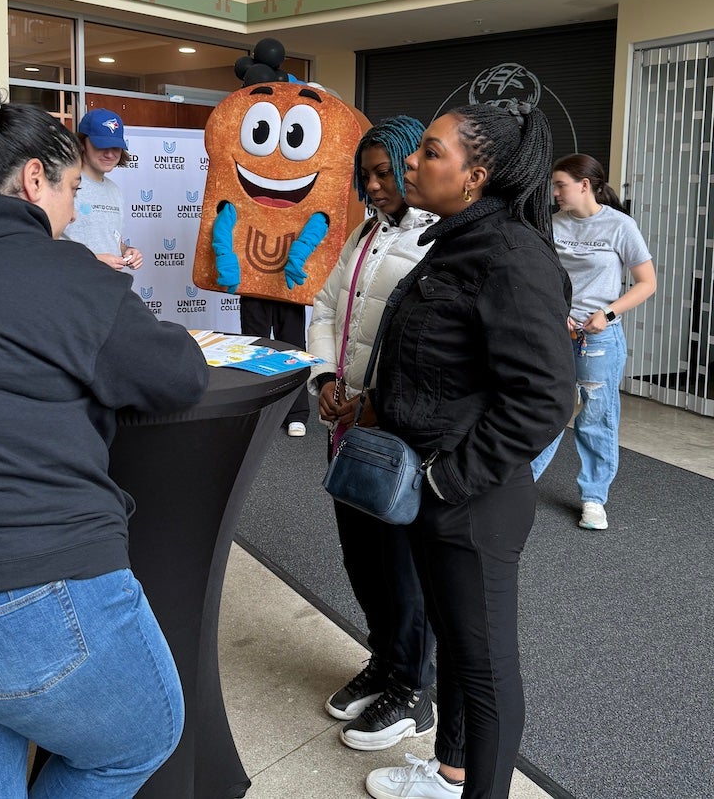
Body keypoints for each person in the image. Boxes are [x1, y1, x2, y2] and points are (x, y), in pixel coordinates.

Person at [0, 79, 209, 799]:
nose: (74, 210)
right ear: (34, 179)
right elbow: (178, 374)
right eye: (72, 189)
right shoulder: (62, 273)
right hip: (29, 585)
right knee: (141, 738)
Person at [364, 102, 576, 799]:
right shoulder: (457, 240)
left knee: (485, 675)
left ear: (475, 176)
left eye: (430, 151)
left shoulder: (511, 256)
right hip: (438, 490)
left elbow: (545, 399)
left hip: (473, 501)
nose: (412, 161)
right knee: (457, 644)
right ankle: (452, 771)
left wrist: (448, 480)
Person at [308, 116, 438, 752]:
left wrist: (376, 405)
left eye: (387, 172)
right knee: (361, 559)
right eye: (366, 175)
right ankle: (385, 661)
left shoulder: (439, 238)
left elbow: (431, 349)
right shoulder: (364, 233)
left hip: (398, 433)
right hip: (348, 428)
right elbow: (326, 308)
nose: (376, 185)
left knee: (403, 567)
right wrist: (325, 378)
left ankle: (415, 688)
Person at [530, 154, 656, 530]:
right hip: (556, 331)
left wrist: (608, 314)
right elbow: (541, 277)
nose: (554, 193)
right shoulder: (550, 224)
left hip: (599, 337)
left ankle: (593, 498)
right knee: (545, 409)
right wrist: (556, 312)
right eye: (553, 186)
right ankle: (519, 485)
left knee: (596, 417)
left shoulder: (620, 226)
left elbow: (647, 283)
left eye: (560, 185)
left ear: (585, 185)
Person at [63, 107, 144, 272]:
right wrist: (93, 260)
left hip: (109, 283)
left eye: (115, 147)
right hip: (73, 283)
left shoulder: (114, 191)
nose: (109, 154)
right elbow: (46, 243)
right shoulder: (62, 185)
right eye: (101, 145)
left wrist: (127, 251)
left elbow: (112, 239)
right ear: (82, 144)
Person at [240, 295, 310, 435]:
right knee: (255, 349)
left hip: (289, 288)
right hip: (253, 286)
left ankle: (296, 413)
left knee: (293, 346)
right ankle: (254, 414)